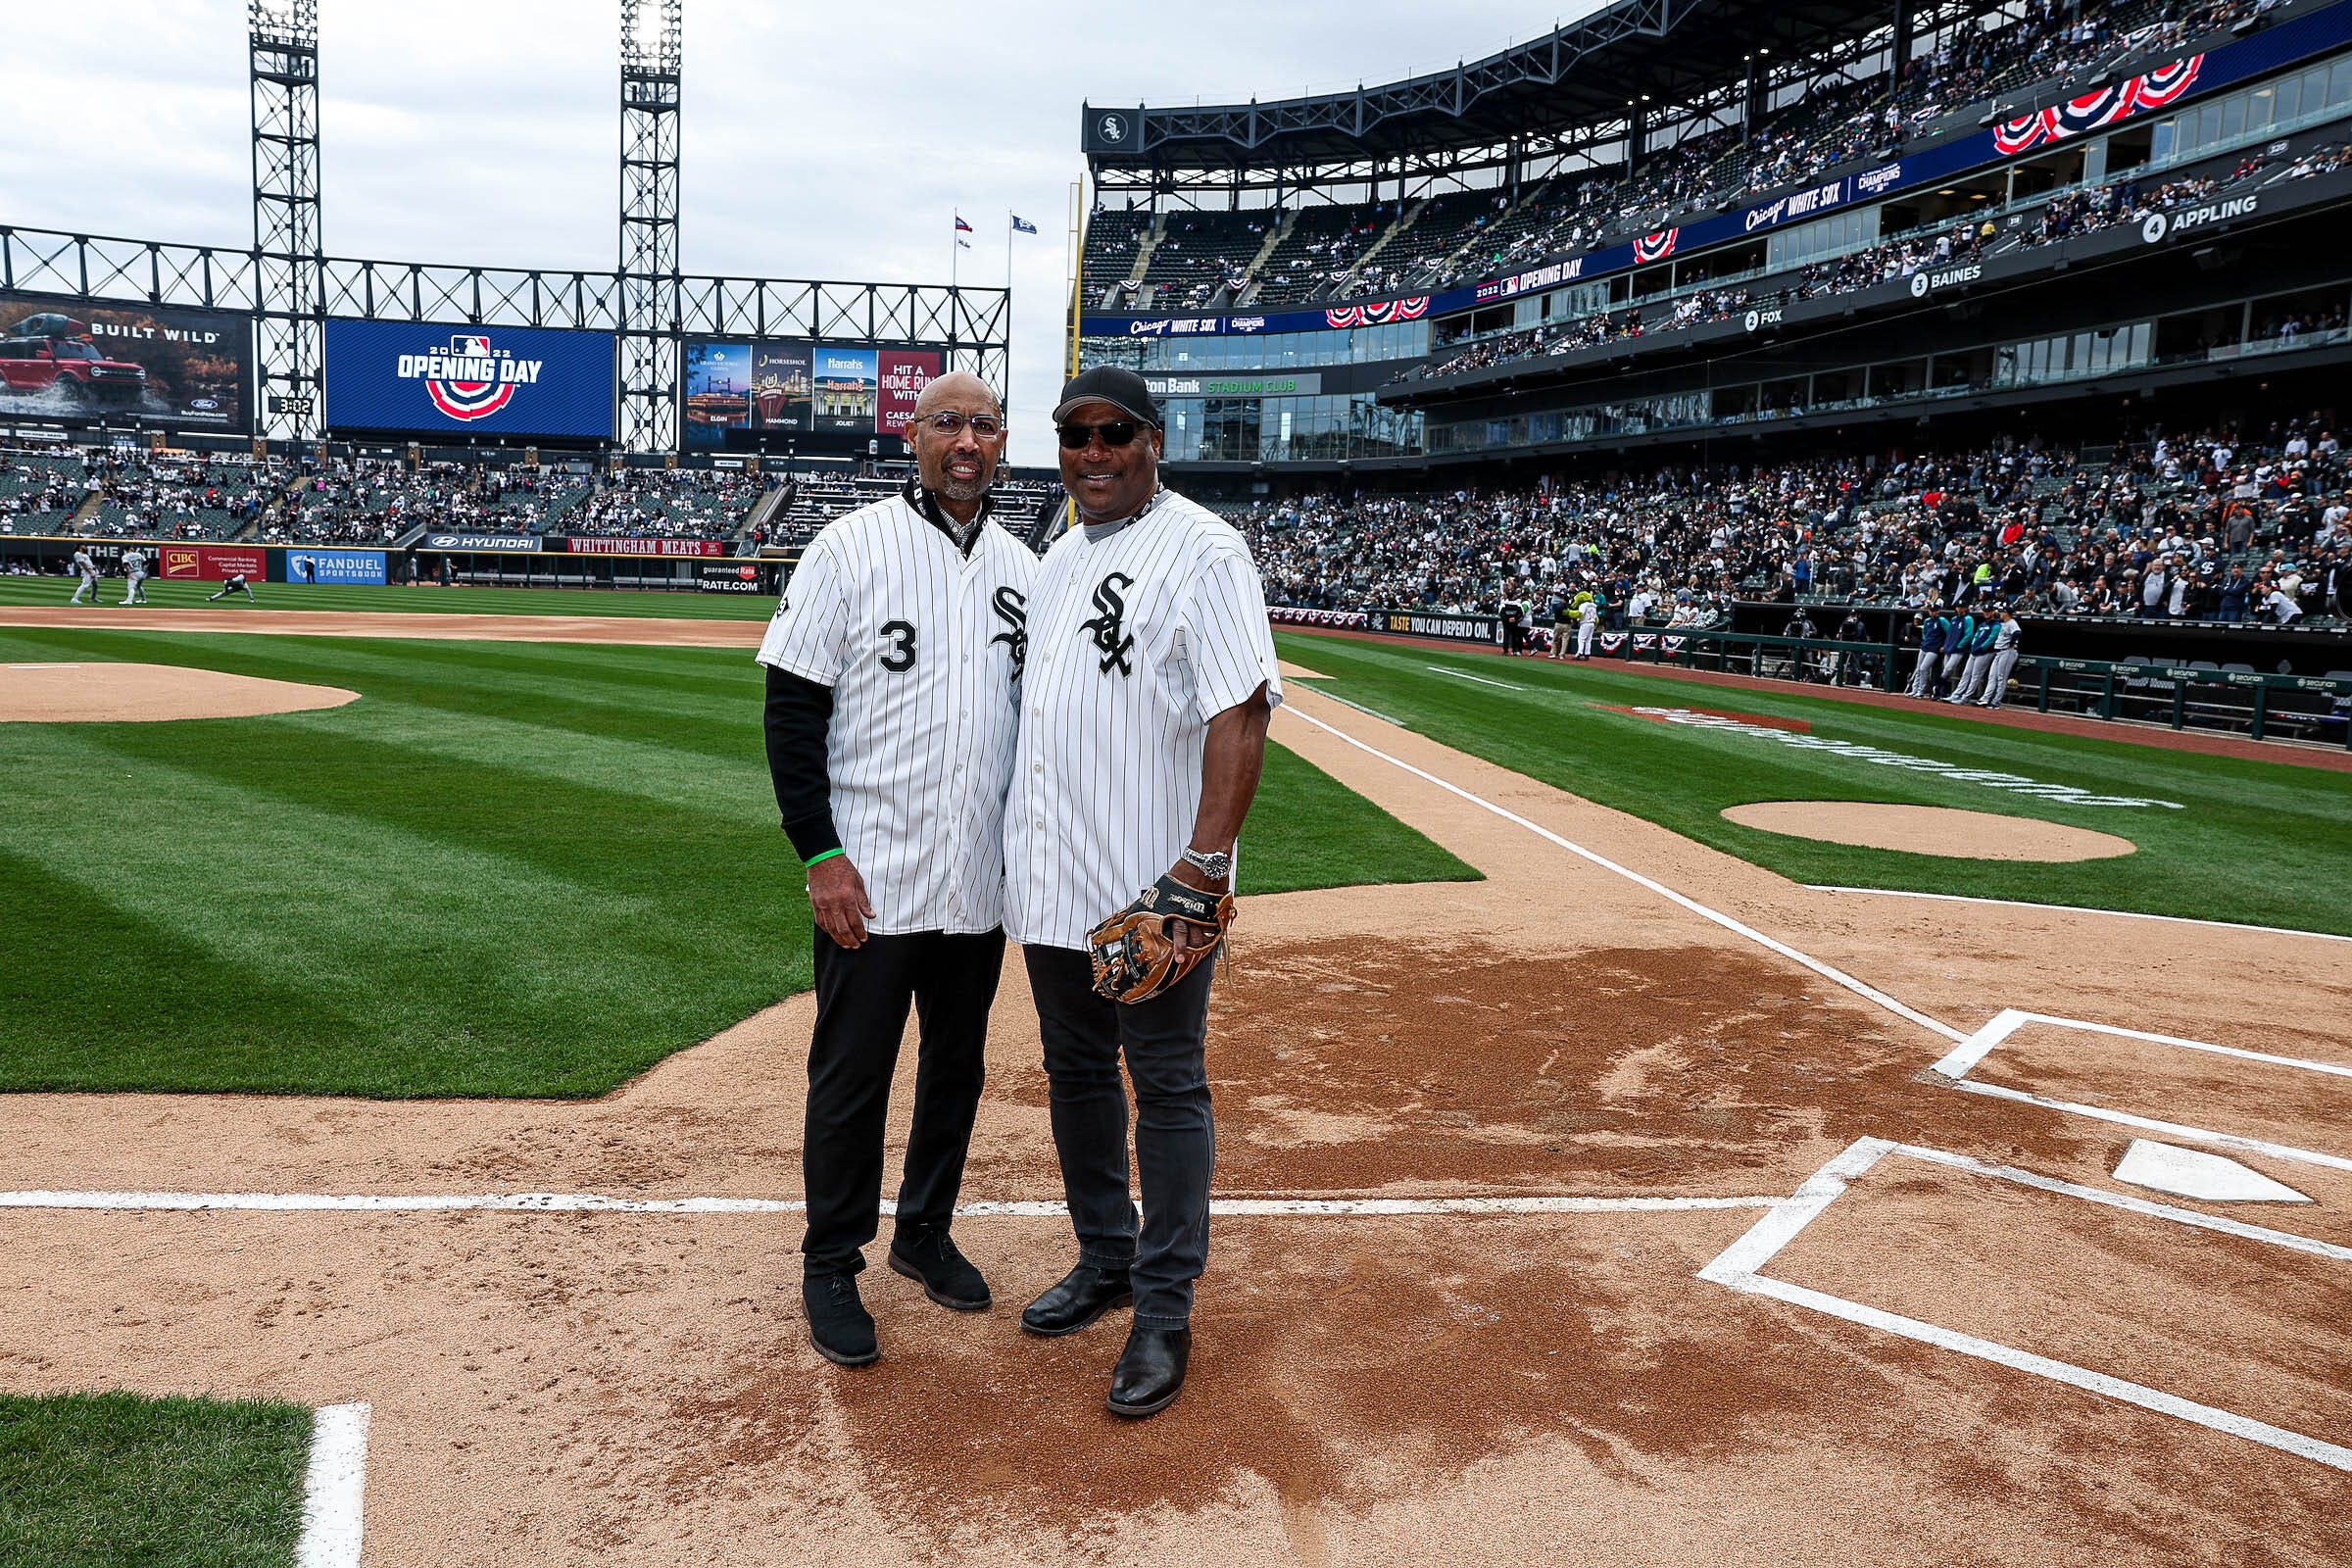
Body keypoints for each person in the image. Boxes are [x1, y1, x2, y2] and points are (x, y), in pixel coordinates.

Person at [1006, 366, 1281, 1419]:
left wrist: (1201, 870)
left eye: (1113, 432)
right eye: (1076, 433)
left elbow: (1240, 712)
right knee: (1075, 1072)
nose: (1092, 451)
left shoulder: (1206, 550)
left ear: (1153, 441)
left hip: (1149, 886)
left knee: (1164, 1085)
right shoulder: (1057, 556)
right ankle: (1106, 1255)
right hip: (1053, 886)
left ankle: (1164, 1307)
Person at [756, 372, 1035, 1368]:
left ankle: (923, 1230)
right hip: (869, 873)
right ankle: (831, 1259)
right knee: (851, 1074)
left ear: (1002, 443)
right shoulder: (850, 547)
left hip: (976, 878)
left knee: (955, 1069)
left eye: (985, 425)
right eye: (948, 422)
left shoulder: (1021, 567)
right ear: (913, 435)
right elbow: (792, 713)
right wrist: (819, 852)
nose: (967, 439)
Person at [1976, 606, 2023, 709]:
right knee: (1992, 676)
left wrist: (2011, 642)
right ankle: (1985, 699)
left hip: (2008, 652)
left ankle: (1996, 701)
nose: (2000, 614)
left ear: (2007, 613)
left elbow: (2017, 633)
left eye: (2002, 612)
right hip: (1999, 652)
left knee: (2001, 677)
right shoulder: (2002, 622)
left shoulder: (2012, 622)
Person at [1906, 609, 1946, 698]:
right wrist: (1925, 641)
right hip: (1924, 647)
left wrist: (1943, 645)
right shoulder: (1927, 621)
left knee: (1924, 668)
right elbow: (1925, 633)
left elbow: (1948, 632)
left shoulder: (1942, 620)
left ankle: (1921, 690)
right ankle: (1914, 689)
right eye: (1931, 611)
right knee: (1918, 668)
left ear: (1937, 611)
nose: (1932, 612)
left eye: (1934, 610)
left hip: (1934, 649)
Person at [1575, 592, 1600, 661]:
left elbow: (1581, 614)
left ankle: (1579, 653)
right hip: (1592, 622)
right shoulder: (1594, 605)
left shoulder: (1583, 605)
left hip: (1585, 622)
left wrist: (1577, 619)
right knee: (1588, 640)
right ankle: (1587, 654)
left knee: (1581, 639)